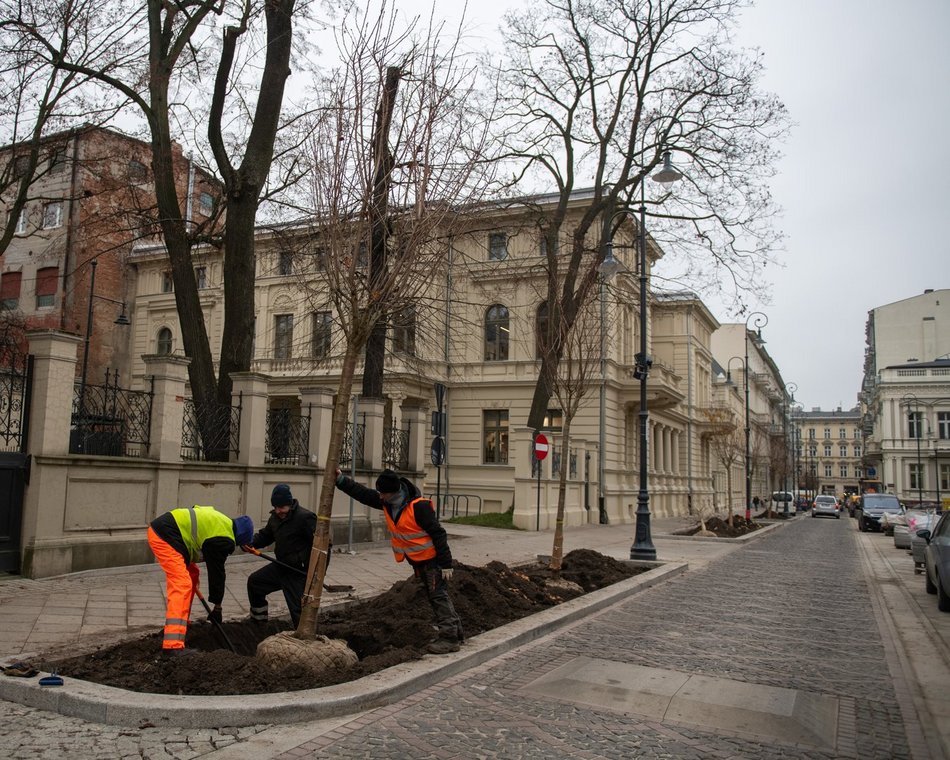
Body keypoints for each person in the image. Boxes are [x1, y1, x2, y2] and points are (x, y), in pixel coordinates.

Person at [335, 467, 463, 654]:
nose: (380, 496)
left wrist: (446, 564)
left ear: (393, 492)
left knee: (438, 597)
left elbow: (439, 533)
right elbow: (362, 494)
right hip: (418, 561)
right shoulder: (387, 503)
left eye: (383, 493)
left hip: (433, 561)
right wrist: (341, 481)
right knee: (436, 596)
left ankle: (450, 639)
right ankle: (456, 632)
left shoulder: (419, 506)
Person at [147, 505, 254, 655]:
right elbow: (216, 573)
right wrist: (217, 607)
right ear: (241, 538)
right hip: (165, 537)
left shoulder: (221, 521)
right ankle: (172, 646)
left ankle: (182, 623)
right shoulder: (225, 538)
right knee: (182, 584)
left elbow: (195, 514)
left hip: (169, 533)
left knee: (192, 573)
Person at [244, 483, 317, 626]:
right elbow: (266, 536)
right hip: (281, 566)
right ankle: (259, 622)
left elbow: (323, 546)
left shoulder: (305, 518)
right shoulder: (275, 518)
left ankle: (306, 637)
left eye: (282, 507)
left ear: (289, 504)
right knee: (255, 583)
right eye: (275, 507)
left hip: (298, 572)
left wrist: (317, 574)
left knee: (298, 609)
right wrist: (250, 542)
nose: (278, 511)